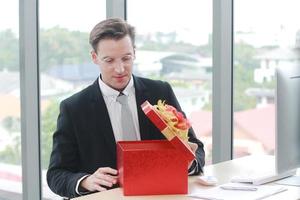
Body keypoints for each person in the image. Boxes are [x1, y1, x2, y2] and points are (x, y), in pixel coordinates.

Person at [47, 18, 205, 199]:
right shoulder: (74, 108)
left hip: (158, 195)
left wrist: (187, 163)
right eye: (109, 60)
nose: (120, 69)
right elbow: (56, 174)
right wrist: (86, 181)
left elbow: (195, 149)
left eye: (126, 58)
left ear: (135, 53)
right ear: (94, 58)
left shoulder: (160, 91)